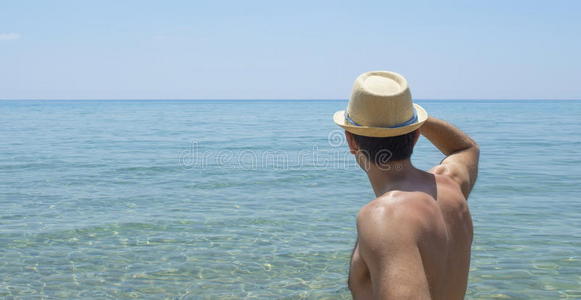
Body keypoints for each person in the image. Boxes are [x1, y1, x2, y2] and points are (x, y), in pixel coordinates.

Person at [332, 71, 479, 299]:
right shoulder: (450, 186)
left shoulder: (385, 216)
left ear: (350, 141)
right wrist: (405, 115)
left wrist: (392, 116)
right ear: (417, 135)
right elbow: (465, 149)